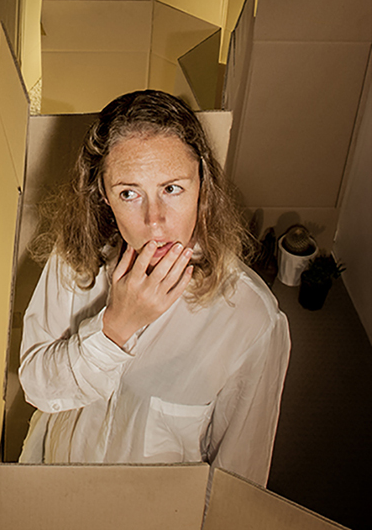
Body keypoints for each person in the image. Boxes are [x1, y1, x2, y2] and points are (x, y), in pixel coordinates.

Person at [18, 89, 290, 490]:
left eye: (172, 188)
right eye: (129, 193)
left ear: (203, 185)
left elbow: (238, 479)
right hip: (55, 480)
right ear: (103, 194)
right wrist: (113, 330)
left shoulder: (251, 318)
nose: (155, 220)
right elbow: (37, 386)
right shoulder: (75, 256)